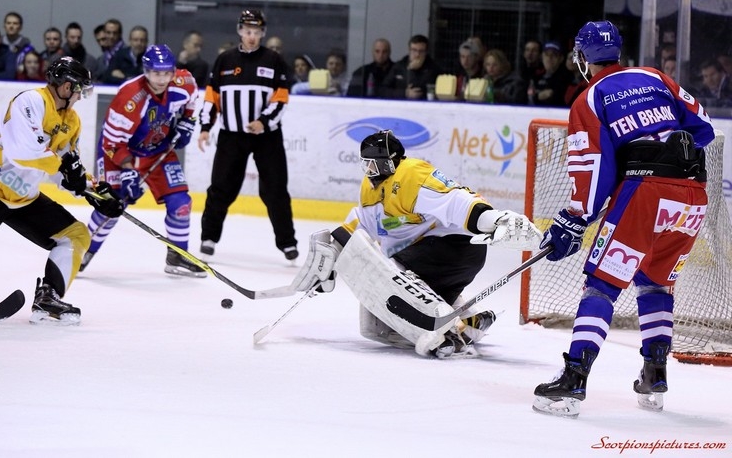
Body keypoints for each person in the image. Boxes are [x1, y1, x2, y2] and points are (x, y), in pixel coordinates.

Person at [532, 21, 716, 418]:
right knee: (656, 281)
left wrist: (575, 217)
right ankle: (655, 375)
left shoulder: (589, 98)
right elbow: (703, 129)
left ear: (582, 58)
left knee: (601, 284)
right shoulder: (655, 76)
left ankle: (573, 381)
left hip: (645, 196)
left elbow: (594, 171)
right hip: (693, 196)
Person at [288, 130, 542, 358]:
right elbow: (361, 225)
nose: (370, 171)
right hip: (431, 260)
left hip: (452, 250)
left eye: (376, 164)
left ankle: (443, 329)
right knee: (375, 328)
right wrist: (330, 258)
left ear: (393, 161)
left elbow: (458, 201)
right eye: (366, 165)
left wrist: (496, 219)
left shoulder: (412, 175)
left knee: (386, 272)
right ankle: (466, 322)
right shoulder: (371, 187)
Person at [0, 57, 123, 325]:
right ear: (67, 87)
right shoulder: (30, 102)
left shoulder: (72, 121)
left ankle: (49, 297)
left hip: (23, 196)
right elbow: (23, 153)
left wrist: (94, 191)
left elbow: (68, 168)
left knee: (76, 235)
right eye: (81, 89)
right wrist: (66, 168)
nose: (82, 95)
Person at [80, 45, 203, 277]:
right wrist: (128, 171)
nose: (162, 78)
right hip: (119, 153)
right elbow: (111, 144)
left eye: (167, 73)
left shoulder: (184, 82)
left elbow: (192, 100)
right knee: (113, 205)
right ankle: (83, 250)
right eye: (157, 73)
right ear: (146, 71)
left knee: (181, 203)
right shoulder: (130, 97)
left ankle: (178, 256)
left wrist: (187, 121)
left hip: (158, 150)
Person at [197, 9, 298, 261]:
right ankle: (208, 237)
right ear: (240, 31)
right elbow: (212, 98)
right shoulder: (224, 61)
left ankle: (287, 243)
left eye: (256, 32)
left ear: (263, 33)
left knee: (275, 190)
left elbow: (281, 97)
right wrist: (205, 127)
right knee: (220, 188)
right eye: (247, 31)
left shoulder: (274, 60)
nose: (252, 37)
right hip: (231, 135)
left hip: (267, 137)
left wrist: (263, 121)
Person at [383, 34, 441, 100]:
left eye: (421, 51)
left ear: (426, 52)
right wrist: (404, 93)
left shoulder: (433, 69)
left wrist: (412, 71)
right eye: (414, 50)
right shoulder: (399, 66)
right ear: (409, 50)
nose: (417, 55)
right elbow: (384, 90)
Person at [529, 41, 571, 106]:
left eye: (554, 55)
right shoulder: (535, 75)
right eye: (546, 54)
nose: (549, 58)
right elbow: (529, 96)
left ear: (561, 58)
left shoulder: (567, 78)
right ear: (541, 57)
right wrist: (537, 97)